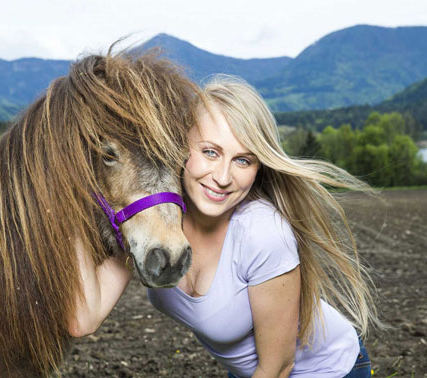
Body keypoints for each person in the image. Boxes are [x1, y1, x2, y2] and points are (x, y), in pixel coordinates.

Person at [147, 75, 378, 378]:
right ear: (181, 147)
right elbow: (81, 320)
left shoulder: (263, 232)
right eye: (210, 152)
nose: (223, 177)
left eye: (243, 160)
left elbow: (278, 367)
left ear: (259, 168)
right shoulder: (157, 216)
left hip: (327, 370)